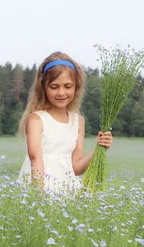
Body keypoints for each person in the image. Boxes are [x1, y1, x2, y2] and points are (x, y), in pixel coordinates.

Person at [17, 52, 113, 194]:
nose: (61, 93)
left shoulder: (78, 121)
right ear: (43, 87)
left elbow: (76, 168)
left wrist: (99, 148)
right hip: (38, 191)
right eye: (54, 87)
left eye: (67, 86)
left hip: (67, 191)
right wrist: (39, 198)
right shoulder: (36, 120)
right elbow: (35, 160)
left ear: (76, 86)